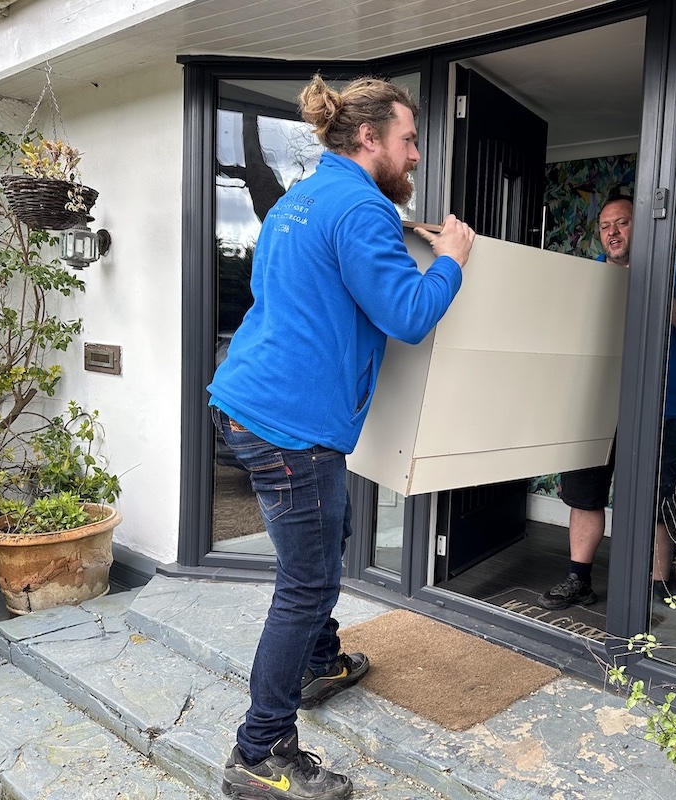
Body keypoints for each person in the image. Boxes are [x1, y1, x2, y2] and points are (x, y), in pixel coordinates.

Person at [209, 74, 475, 800]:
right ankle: (258, 750)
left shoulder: (304, 198)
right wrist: (452, 253)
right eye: (410, 139)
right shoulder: (360, 207)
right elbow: (410, 313)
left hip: (250, 401)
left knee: (331, 538)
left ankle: (318, 663)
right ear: (369, 138)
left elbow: (314, 287)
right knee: (306, 583)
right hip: (289, 427)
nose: (416, 154)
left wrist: (395, 235)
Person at [537, 193, 676, 612]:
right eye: (605, 226)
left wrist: (662, 293)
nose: (612, 233)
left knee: (657, 498)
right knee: (584, 495)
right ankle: (579, 579)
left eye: (621, 223)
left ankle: (660, 584)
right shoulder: (588, 276)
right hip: (594, 407)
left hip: (661, 410)